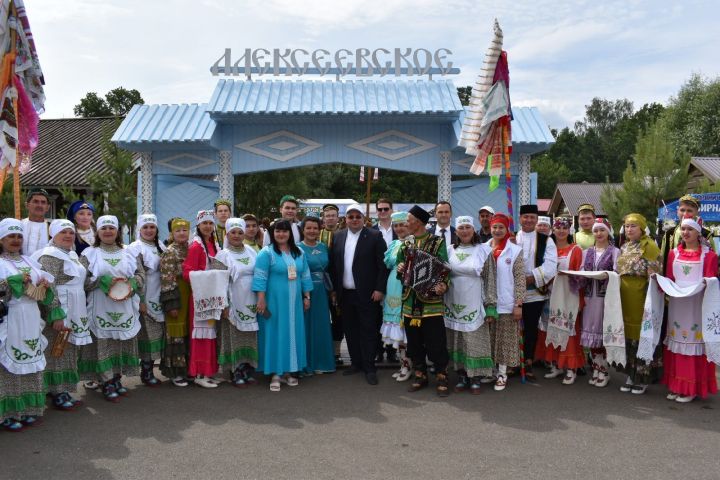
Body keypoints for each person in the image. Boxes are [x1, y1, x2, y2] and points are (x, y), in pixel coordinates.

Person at [0, 218, 63, 431]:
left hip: (32, 317)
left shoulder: (31, 262)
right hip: (11, 318)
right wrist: (12, 282)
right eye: (11, 236)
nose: (16, 240)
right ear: (1, 239)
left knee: (31, 360)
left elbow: (46, 294)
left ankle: (28, 408)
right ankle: (8, 413)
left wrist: (44, 286)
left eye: (19, 236)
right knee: (9, 364)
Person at [79, 215, 145, 402]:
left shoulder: (129, 252)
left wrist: (132, 284)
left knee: (120, 342)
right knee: (104, 342)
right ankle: (106, 381)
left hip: (126, 304)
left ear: (117, 231)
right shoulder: (89, 254)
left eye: (111, 228)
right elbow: (81, 281)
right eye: (104, 228)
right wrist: (100, 281)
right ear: (98, 232)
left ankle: (116, 378)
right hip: (101, 305)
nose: (108, 231)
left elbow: (141, 274)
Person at [33, 219, 91, 410]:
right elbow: (48, 286)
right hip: (62, 309)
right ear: (53, 235)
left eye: (71, 232)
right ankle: (58, 392)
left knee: (66, 350)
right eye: (63, 232)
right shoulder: (50, 255)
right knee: (58, 350)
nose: (68, 236)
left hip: (75, 307)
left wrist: (103, 282)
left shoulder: (71, 254)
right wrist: (55, 313)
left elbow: (81, 283)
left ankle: (58, 388)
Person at [329, 203, 388, 386]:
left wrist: (379, 289)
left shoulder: (375, 236)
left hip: (368, 294)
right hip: (345, 294)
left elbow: (382, 266)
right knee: (351, 331)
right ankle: (356, 363)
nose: (354, 220)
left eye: (357, 217)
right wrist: (333, 290)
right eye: (350, 217)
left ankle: (370, 367)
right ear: (345, 219)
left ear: (364, 219)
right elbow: (333, 266)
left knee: (368, 330)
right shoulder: (338, 237)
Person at [662, 215, 718, 402]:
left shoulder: (709, 256)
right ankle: (677, 385)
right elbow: (670, 277)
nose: (685, 233)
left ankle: (691, 388)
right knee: (677, 341)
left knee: (692, 344)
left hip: (696, 306)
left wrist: (706, 282)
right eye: (683, 229)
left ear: (698, 232)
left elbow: (712, 282)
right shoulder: (673, 254)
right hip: (678, 305)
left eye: (690, 229)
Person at [252, 219, 313, 391]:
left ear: (290, 233)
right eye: (278, 231)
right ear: (272, 233)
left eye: (285, 231)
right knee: (275, 335)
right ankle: (275, 373)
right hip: (274, 303)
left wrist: (307, 296)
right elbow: (260, 277)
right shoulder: (267, 253)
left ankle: (289, 371)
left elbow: (305, 276)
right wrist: (261, 299)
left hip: (295, 305)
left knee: (293, 334)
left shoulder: (299, 252)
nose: (281, 234)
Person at [397, 205, 450, 396]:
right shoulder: (406, 244)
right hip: (410, 300)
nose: (406, 223)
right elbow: (398, 268)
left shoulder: (437, 243)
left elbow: (444, 267)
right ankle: (420, 374)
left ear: (418, 222)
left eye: (408, 220)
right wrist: (401, 267)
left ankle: (442, 375)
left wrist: (443, 284)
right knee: (414, 341)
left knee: (436, 340)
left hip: (430, 302)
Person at [444, 216, 496, 394]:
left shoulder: (484, 250)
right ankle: (462, 375)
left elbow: (490, 279)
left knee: (473, 340)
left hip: (474, 300)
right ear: (456, 231)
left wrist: (490, 305)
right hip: (453, 300)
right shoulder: (449, 250)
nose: (464, 231)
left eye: (468, 227)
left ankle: (476, 377)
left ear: (473, 230)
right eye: (461, 228)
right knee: (456, 340)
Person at [615, 213, 662, 395]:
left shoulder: (649, 245)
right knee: (629, 337)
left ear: (642, 228)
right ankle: (630, 374)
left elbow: (655, 275)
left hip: (641, 296)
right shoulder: (625, 246)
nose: (629, 229)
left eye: (633, 226)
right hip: (625, 297)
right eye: (627, 226)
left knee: (642, 336)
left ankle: (643, 377)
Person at [538, 217, 585, 385]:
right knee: (550, 328)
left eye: (564, 228)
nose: (561, 231)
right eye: (557, 228)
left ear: (569, 230)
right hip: (549, 295)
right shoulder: (548, 249)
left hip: (567, 296)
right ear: (553, 230)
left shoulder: (576, 249)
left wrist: (579, 299)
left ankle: (571, 368)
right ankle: (556, 365)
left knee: (568, 330)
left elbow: (581, 277)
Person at [215, 218, 259, 387]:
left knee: (249, 335)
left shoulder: (251, 251)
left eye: (240, 232)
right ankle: (235, 370)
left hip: (252, 298)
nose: (237, 235)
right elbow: (219, 282)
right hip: (233, 299)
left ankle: (248, 368)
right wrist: (224, 304)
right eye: (233, 232)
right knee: (233, 335)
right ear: (227, 234)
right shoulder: (222, 255)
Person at [516, 204, 557, 380]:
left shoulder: (546, 240)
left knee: (531, 328)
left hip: (535, 292)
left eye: (532, 217)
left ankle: (529, 362)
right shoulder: (511, 238)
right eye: (525, 217)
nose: (529, 220)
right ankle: (513, 362)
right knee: (513, 328)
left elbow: (550, 264)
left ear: (536, 219)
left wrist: (530, 279)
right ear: (520, 218)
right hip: (513, 292)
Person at [183, 210, 223, 388]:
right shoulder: (196, 247)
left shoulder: (213, 244)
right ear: (198, 225)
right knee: (200, 337)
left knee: (210, 336)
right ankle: (199, 373)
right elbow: (186, 272)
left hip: (211, 295)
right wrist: (209, 275)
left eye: (210, 223)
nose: (208, 226)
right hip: (200, 297)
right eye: (204, 223)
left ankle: (208, 371)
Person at [487, 213, 526, 391]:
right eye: (494, 227)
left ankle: (502, 373)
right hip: (487, 303)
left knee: (504, 340)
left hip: (506, 303)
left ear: (506, 229)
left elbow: (520, 279)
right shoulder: (483, 248)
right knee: (489, 338)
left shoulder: (515, 251)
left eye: (501, 227)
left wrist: (518, 304)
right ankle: (493, 370)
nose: (497, 230)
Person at [579, 218, 620, 388]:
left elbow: (618, 272)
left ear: (608, 232)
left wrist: (608, 275)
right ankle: (596, 367)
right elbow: (581, 269)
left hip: (605, 298)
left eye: (602, 230)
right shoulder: (587, 252)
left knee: (603, 334)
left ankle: (604, 370)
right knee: (592, 334)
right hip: (590, 297)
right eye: (596, 231)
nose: (598, 233)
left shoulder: (615, 251)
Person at [127, 214, 166, 386]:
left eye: (152, 227)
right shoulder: (135, 248)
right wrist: (141, 300)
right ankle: (146, 371)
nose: (149, 230)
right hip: (145, 294)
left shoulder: (160, 246)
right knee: (146, 335)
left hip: (159, 293)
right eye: (145, 227)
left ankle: (150, 368)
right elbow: (136, 275)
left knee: (156, 334)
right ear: (139, 229)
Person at [298, 217, 335, 374]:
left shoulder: (324, 247)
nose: (312, 231)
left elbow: (329, 269)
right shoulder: (297, 248)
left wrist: (332, 291)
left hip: (322, 291)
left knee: (321, 325)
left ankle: (322, 362)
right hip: (305, 291)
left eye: (315, 228)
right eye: (309, 228)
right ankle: (306, 364)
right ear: (303, 230)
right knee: (305, 326)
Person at [159, 217, 192, 387]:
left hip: (190, 297)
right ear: (172, 233)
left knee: (187, 333)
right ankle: (175, 372)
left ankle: (187, 369)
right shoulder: (170, 251)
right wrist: (171, 304)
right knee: (176, 335)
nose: (181, 233)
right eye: (178, 230)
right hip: (177, 297)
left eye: (184, 230)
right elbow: (166, 279)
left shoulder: (191, 249)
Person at [382, 211, 412, 381]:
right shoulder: (393, 244)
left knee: (406, 329)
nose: (400, 228)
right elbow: (388, 265)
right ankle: (404, 364)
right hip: (393, 285)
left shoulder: (414, 242)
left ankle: (411, 365)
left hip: (407, 285)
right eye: (397, 225)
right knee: (397, 330)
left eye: (403, 224)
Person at [660, 194, 715, 269]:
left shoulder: (706, 235)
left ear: (697, 213)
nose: (685, 214)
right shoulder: (669, 234)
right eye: (682, 210)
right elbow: (662, 260)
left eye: (689, 211)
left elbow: (713, 261)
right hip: (672, 277)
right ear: (677, 211)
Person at [372, 198, 397, 363]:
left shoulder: (400, 228)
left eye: (385, 209)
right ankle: (378, 350)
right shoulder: (371, 231)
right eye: (379, 209)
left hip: (396, 276)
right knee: (376, 316)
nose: (382, 212)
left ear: (391, 210)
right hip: (377, 277)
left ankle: (392, 350)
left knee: (394, 312)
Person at [319, 203, 344, 365]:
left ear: (337, 217)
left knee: (338, 318)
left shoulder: (344, 234)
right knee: (320, 317)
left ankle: (336, 352)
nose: (330, 218)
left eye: (333, 215)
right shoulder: (315, 233)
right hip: (319, 284)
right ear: (323, 217)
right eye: (327, 215)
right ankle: (320, 350)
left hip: (339, 283)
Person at [21, 188, 51, 257]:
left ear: (47, 207)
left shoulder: (52, 229)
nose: (39, 205)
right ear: (27, 205)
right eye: (35, 201)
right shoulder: (19, 225)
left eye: (43, 202)